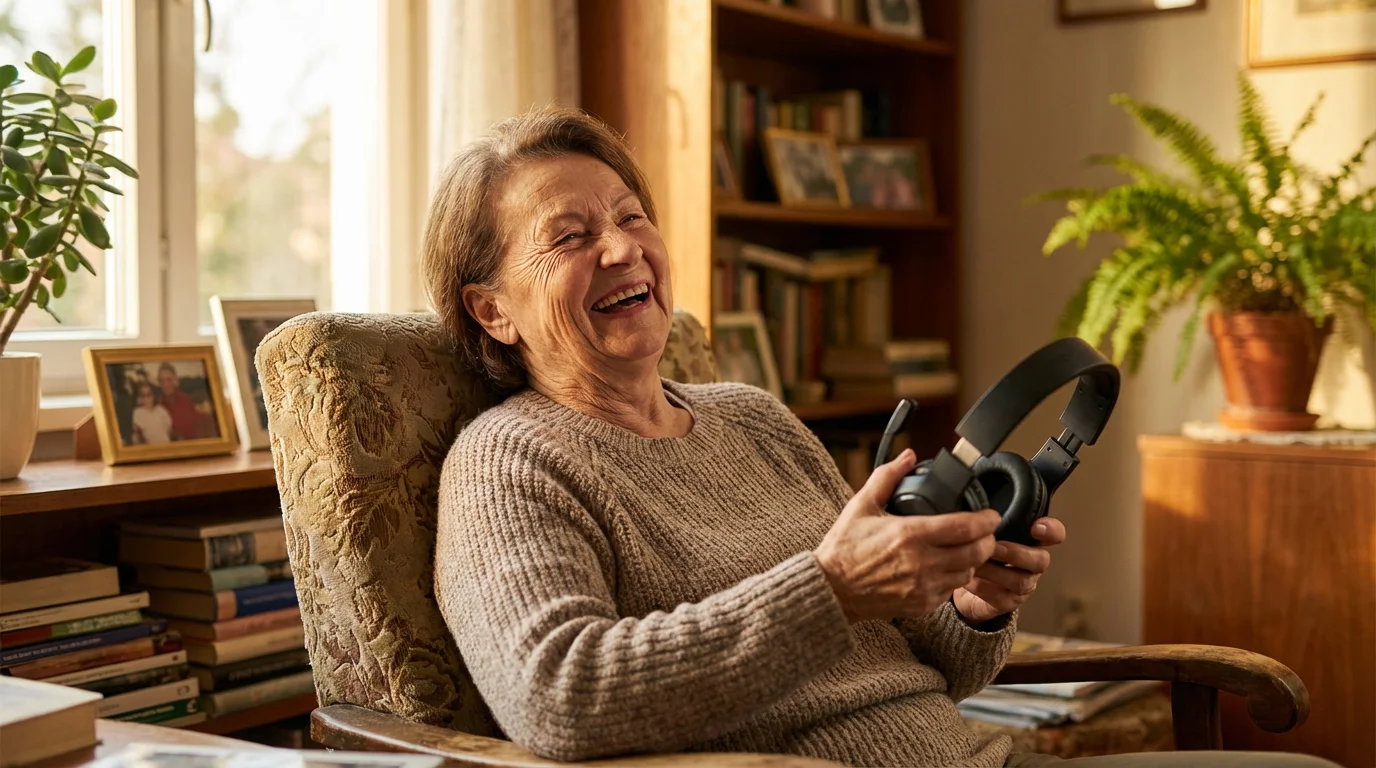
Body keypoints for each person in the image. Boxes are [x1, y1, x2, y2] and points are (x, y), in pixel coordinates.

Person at [421, 106, 1337, 768]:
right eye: (569, 236)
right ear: (492, 309)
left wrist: (972, 600)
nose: (622, 249)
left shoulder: (753, 418)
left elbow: (935, 660)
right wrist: (830, 587)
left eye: (630, 216)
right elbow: (561, 695)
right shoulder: (509, 463)